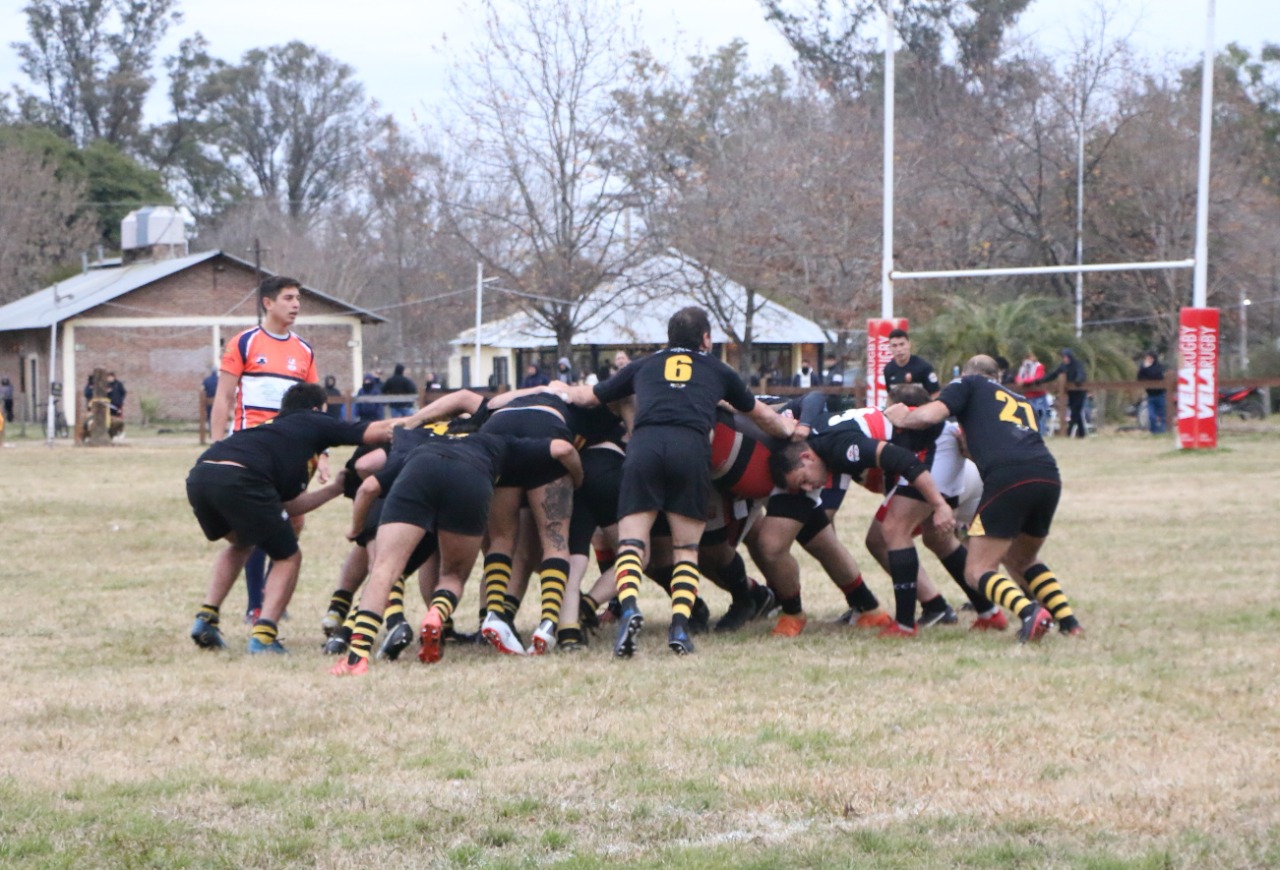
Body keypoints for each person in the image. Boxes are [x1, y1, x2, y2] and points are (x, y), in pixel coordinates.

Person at [565, 306, 795, 657]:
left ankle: (628, 608)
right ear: (706, 339)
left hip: (644, 447)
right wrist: (788, 429)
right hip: (690, 448)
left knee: (631, 544)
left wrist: (561, 390)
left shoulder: (643, 365)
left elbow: (592, 396)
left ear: (668, 338)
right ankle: (679, 628)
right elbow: (762, 416)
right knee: (686, 550)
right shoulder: (719, 370)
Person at [187, 382, 399, 653]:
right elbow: (378, 430)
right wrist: (428, 420)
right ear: (316, 409)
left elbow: (288, 505)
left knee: (241, 542)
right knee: (288, 557)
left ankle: (206, 619)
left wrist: (334, 488)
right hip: (242, 478)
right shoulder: (310, 420)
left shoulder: (274, 432)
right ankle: (263, 636)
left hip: (202, 475)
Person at [885, 354, 1083, 641]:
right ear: (999, 378)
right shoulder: (1021, 401)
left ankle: (1029, 612)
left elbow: (930, 415)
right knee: (1022, 558)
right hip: (1047, 474)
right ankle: (1069, 622)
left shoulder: (968, 383)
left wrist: (903, 417)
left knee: (977, 570)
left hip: (1008, 477)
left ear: (967, 373)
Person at [207, 276, 323, 621]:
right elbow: (224, 397)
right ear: (268, 303)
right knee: (261, 523)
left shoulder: (304, 350)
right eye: (288, 298)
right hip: (251, 448)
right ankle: (256, 604)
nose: (296, 304)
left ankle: (274, 595)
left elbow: (316, 406)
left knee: (295, 520)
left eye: (298, 298)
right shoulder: (244, 343)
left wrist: (323, 451)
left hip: (291, 449)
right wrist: (216, 445)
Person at [1038, 348, 1088, 438]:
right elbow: (1053, 375)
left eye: (1066, 357)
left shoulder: (1077, 364)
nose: (1065, 359)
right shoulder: (1063, 366)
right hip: (1070, 392)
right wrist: (1041, 381)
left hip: (1080, 392)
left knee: (1075, 412)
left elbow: (1081, 373)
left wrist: (1078, 380)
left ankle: (1069, 433)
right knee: (1075, 412)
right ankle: (1081, 434)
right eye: (1063, 357)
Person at [883, 328, 940, 398]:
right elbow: (891, 396)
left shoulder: (924, 367)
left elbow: (935, 394)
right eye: (894, 346)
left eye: (902, 344)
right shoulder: (888, 369)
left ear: (909, 344)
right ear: (890, 348)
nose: (899, 349)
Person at [1015, 350, 1048, 432]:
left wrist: (1024, 381)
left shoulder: (1039, 366)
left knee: (1040, 416)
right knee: (1029, 418)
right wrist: (1021, 381)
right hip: (1028, 396)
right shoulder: (1023, 368)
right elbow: (1018, 378)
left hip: (1039, 396)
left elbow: (1037, 378)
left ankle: (1041, 434)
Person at [1137, 351, 1167, 434]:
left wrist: (1147, 369)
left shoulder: (1158, 367)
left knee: (1162, 415)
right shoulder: (1143, 368)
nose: (1148, 360)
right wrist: (1143, 368)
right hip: (1150, 395)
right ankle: (1154, 432)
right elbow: (1140, 378)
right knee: (1151, 416)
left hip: (1161, 394)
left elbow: (1156, 376)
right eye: (1147, 358)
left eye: (1150, 358)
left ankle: (1163, 432)